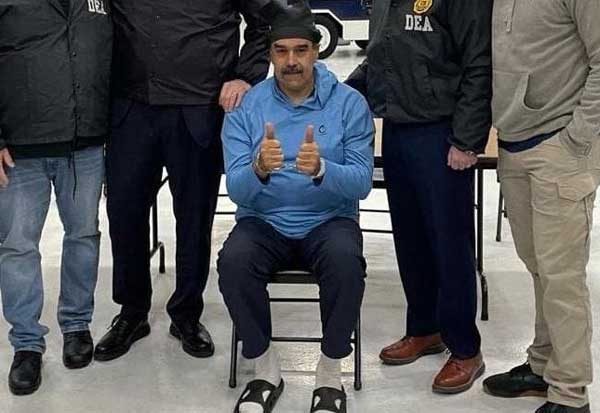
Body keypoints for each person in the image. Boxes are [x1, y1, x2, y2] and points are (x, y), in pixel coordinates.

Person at [94, 0, 271, 362]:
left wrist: (246, 75)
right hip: (131, 106)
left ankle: (187, 314)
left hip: (198, 106)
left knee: (194, 216)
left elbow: (266, 20)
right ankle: (132, 311)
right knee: (124, 213)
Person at [218, 2, 374, 411]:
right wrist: (258, 169)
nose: (291, 61)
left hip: (329, 219)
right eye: (282, 51)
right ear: (270, 55)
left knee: (346, 263)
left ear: (317, 50)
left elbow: (361, 184)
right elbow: (237, 190)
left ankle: (329, 373)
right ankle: (265, 368)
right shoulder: (246, 107)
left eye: (301, 50)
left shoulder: (349, 104)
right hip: (264, 221)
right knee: (233, 262)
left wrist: (323, 169)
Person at [346, 0, 492, 394]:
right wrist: (337, 92)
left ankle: (465, 348)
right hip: (396, 129)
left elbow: (479, 63)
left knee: (449, 245)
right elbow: (379, 59)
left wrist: (467, 138)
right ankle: (425, 328)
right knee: (410, 240)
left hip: (441, 132)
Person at [482, 1, 600, 412]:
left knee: (562, 276)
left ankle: (570, 392)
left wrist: (578, 136)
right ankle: (544, 364)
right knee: (538, 266)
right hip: (514, 143)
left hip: (561, 145)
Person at [0, 0, 112, 395]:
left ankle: (77, 325)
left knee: (83, 235)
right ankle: (26, 344)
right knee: (18, 246)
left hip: (85, 144)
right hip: (19, 149)